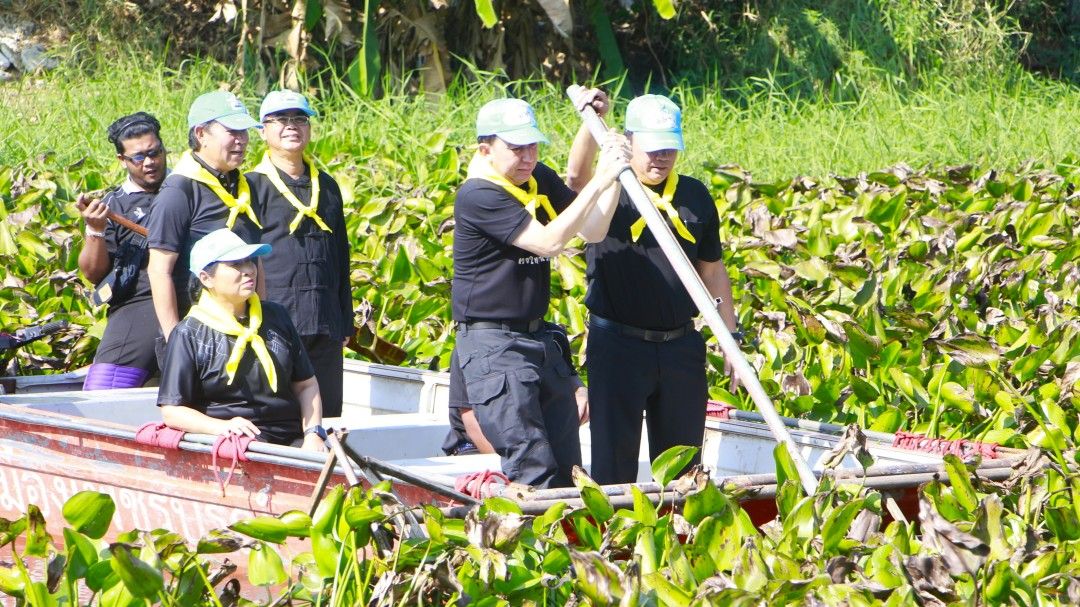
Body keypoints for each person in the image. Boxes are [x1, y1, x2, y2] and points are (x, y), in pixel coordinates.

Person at [451, 93, 628, 488]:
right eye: (516, 148)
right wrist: (600, 178)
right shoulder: (479, 194)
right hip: (494, 345)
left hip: (538, 339)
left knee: (568, 471)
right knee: (533, 467)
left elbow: (594, 230)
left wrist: (614, 174)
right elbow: (549, 243)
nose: (528, 156)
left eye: (532, 146)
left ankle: (569, 529)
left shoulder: (538, 178)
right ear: (486, 149)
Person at [569, 94, 740, 485]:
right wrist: (591, 125)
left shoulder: (694, 195)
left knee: (684, 467)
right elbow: (576, 180)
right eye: (652, 149)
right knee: (614, 466)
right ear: (630, 141)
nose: (661, 158)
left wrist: (729, 336)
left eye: (669, 149)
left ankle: (677, 523)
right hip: (618, 346)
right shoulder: (609, 188)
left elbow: (712, 269)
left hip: (680, 346)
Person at [157, 229, 326, 451]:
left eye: (249, 261)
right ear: (206, 278)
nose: (249, 270)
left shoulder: (276, 316)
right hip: (234, 444)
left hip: (291, 437)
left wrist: (313, 434)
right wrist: (221, 426)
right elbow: (172, 411)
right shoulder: (188, 333)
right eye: (235, 264)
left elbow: (306, 385)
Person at [247, 90, 353, 418]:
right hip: (276, 321)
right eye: (280, 119)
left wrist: (344, 319)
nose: (291, 126)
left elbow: (340, 255)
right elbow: (244, 258)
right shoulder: (251, 186)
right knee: (278, 417)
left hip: (325, 322)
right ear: (263, 131)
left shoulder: (328, 186)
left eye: (299, 119)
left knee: (328, 417)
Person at [148, 91, 263, 343]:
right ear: (201, 134)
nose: (241, 140)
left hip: (244, 329)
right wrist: (175, 339)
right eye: (232, 131)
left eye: (244, 132)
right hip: (197, 335)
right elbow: (159, 270)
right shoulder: (179, 191)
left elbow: (256, 261)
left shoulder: (243, 187)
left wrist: (263, 324)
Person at [77, 112, 168, 389]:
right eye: (138, 157)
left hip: (198, 299)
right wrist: (95, 229)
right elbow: (94, 274)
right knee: (103, 388)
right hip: (140, 302)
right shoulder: (113, 205)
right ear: (122, 160)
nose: (149, 162)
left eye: (155, 152)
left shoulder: (188, 189)